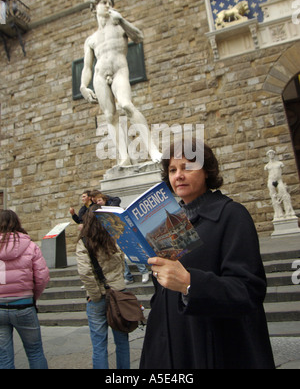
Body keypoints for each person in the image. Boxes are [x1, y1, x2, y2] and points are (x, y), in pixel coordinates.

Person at [139, 140, 275, 369]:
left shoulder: (232, 215)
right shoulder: (168, 225)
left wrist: (190, 284)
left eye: (187, 167)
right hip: (170, 346)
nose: (178, 175)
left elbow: (249, 291)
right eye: (173, 170)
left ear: (207, 171)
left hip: (215, 349)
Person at [80, 0, 161, 166]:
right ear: (95, 9)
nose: (108, 5)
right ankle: (124, 157)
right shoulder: (91, 39)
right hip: (99, 75)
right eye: (104, 2)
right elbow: (87, 66)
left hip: (119, 70)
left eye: (110, 2)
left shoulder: (119, 26)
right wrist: (83, 86)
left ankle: (153, 149)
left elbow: (139, 37)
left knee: (126, 105)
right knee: (110, 116)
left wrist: (122, 20)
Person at [76, 205, 130, 369]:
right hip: (118, 293)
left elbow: (85, 271)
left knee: (99, 345)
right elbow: (121, 261)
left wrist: (96, 294)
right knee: (122, 342)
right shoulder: (112, 237)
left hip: (98, 297)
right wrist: (118, 283)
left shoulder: (84, 241)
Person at [0, 210, 50, 369]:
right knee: (35, 351)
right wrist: (33, 295)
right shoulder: (30, 246)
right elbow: (42, 277)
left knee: (4, 356)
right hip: (24, 304)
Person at [94, 192, 149, 284]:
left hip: (123, 231)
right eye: (96, 201)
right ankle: (127, 276)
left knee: (133, 251)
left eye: (99, 200)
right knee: (121, 256)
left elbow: (117, 199)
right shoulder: (99, 211)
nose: (98, 202)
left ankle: (144, 272)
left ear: (104, 200)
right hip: (113, 234)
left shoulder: (113, 205)